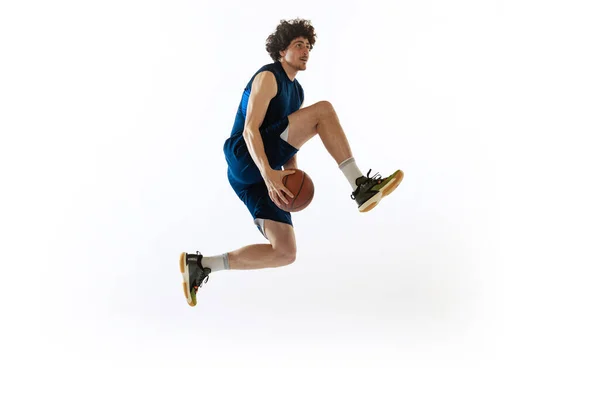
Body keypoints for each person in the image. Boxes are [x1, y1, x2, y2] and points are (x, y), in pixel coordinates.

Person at [179, 18, 403, 306]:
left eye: (308, 46)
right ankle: (361, 185)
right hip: (244, 157)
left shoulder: (297, 93)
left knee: (285, 252)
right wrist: (270, 174)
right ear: (281, 50)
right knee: (324, 111)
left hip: (257, 176)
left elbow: (288, 141)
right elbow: (250, 130)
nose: (305, 50)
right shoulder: (269, 77)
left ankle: (202, 265)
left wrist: (291, 173)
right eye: (298, 45)